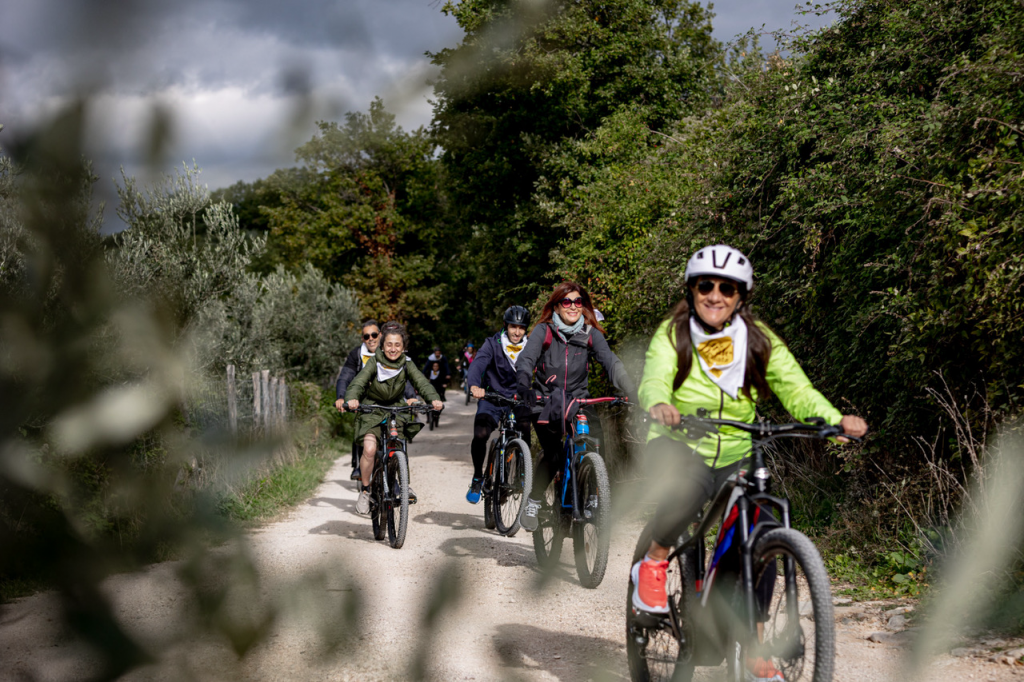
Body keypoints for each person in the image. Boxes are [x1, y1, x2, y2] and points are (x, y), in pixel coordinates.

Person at [631, 244, 868, 682]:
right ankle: (656, 557)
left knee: (759, 529)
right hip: (681, 438)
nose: (715, 295)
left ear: (742, 296)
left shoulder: (756, 339)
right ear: (691, 289)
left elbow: (795, 387)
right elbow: (655, 376)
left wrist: (833, 420)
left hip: (738, 443)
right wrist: (661, 404)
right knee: (686, 490)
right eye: (706, 285)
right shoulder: (674, 333)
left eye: (727, 288)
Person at [515, 282, 636, 532]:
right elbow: (526, 359)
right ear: (557, 307)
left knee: (596, 443)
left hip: (579, 399)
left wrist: (631, 388)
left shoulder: (591, 334)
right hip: (546, 401)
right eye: (567, 302)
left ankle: (592, 495)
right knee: (554, 454)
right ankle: (535, 500)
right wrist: (524, 386)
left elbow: (611, 362)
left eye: (578, 301)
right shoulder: (543, 331)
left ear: (583, 306)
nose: (573, 306)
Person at [345, 321, 444, 514]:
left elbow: (421, 382)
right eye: (389, 344)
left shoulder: (406, 363)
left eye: (397, 345)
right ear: (383, 345)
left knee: (399, 443)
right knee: (370, 448)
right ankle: (365, 491)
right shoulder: (375, 361)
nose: (393, 349)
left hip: (395, 409)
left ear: (403, 346)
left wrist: (434, 399)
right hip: (373, 408)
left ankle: (403, 483)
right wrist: (352, 399)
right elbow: (359, 382)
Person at [464, 305, 534, 503]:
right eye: (513, 327)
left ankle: (522, 473)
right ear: (505, 326)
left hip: (518, 399)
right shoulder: (492, 343)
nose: (517, 332)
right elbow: (478, 363)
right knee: (481, 434)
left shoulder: (531, 346)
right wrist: (475, 385)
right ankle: (478, 477)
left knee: (524, 428)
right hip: (492, 397)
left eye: (521, 328)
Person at [334, 319, 381, 481]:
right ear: (363, 339)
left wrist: (411, 396)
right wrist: (341, 397)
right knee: (361, 425)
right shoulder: (357, 354)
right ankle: (357, 466)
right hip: (363, 400)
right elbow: (345, 377)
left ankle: (398, 476)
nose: (371, 339)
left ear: (380, 335)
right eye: (366, 336)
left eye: (374, 334)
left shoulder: (390, 351)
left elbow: (404, 376)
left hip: (386, 398)